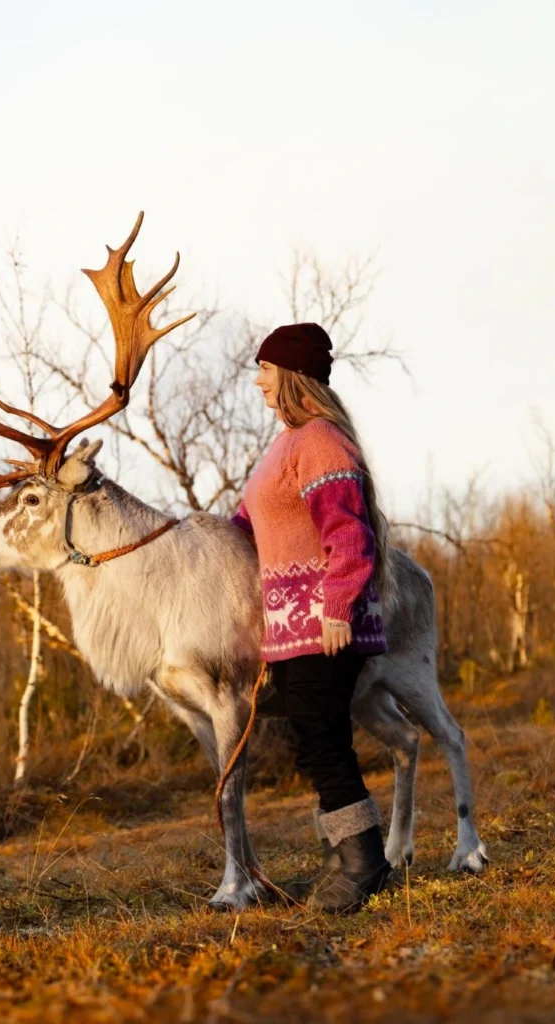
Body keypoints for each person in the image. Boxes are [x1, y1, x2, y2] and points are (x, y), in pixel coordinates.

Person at [230, 322, 392, 913]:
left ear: (292, 375)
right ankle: (348, 856)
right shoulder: (284, 447)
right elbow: (245, 530)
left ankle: (365, 865)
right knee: (314, 741)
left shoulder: (320, 440)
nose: (257, 382)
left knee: (325, 743)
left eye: (265, 371)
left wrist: (337, 607)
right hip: (290, 630)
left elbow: (349, 534)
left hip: (326, 624)